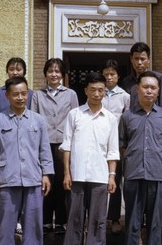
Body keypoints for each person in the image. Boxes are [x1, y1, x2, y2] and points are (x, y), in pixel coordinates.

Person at [0, 76, 54, 245]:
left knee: (34, 226)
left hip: (33, 178)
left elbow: (44, 149)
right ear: (7, 95)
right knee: (5, 226)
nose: (21, 98)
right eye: (16, 94)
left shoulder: (38, 120)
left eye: (24, 93)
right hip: (7, 179)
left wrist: (46, 174)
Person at [59, 72, 119, 245]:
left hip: (100, 176)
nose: (97, 94)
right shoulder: (74, 114)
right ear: (86, 90)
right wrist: (66, 173)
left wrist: (112, 176)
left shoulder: (110, 119)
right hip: (77, 176)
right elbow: (67, 146)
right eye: (93, 90)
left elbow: (113, 151)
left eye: (101, 90)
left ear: (105, 92)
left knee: (98, 221)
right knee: (75, 219)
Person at [119, 71, 162, 245]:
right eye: (145, 87)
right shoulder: (127, 116)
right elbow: (122, 144)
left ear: (158, 91)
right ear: (137, 89)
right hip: (134, 174)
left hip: (158, 175)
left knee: (155, 221)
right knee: (132, 221)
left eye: (153, 87)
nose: (149, 91)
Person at [0, 57, 33, 235]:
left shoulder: (30, 93)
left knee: (24, 190)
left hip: (24, 145)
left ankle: (20, 222)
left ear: (24, 72)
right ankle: (2, 225)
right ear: (7, 71)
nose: (15, 72)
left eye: (19, 69)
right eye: (12, 69)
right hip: (4, 145)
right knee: (2, 190)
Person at [31, 58, 79, 234]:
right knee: (45, 183)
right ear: (45, 74)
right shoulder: (37, 95)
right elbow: (33, 119)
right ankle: (45, 221)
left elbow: (75, 119)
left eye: (57, 71)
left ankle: (61, 221)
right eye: (50, 71)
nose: (54, 74)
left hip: (63, 145)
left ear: (62, 74)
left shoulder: (71, 94)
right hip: (43, 144)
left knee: (62, 183)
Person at [101, 59, 130, 234]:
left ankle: (114, 218)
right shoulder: (98, 93)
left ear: (118, 76)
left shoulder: (125, 96)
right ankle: (97, 218)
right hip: (100, 144)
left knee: (116, 181)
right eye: (106, 75)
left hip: (118, 145)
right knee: (100, 182)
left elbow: (127, 121)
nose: (109, 77)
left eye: (112, 74)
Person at [121, 42, 162, 110]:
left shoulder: (159, 78)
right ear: (131, 59)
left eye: (142, 59)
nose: (139, 63)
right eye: (136, 59)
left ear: (148, 59)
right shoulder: (126, 81)